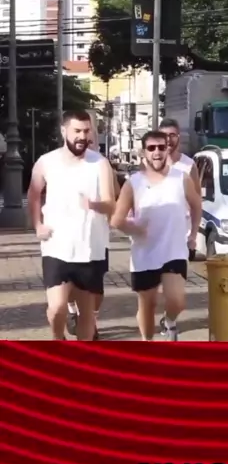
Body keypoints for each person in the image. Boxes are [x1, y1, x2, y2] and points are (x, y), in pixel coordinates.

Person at [27, 110, 116, 341]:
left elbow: (110, 204)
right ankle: (58, 339)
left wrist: (93, 205)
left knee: (87, 314)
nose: (82, 136)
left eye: (86, 131)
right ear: (63, 131)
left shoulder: (100, 163)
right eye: (77, 131)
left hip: (90, 248)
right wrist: (37, 225)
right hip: (56, 247)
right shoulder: (47, 161)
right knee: (57, 308)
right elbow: (34, 194)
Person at [110, 129, 202, 341]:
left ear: (167, 150)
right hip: (145, 254)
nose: (157, 152)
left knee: (177, 300)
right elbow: (116, 220)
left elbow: (197, 206)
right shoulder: (133, 183)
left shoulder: (181, 178)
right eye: (151, 148)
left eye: (161, 147)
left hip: (174, 251)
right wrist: (135, 229)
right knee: (147, 305)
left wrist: (193, 234)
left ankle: (169, 321)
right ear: (144, 152)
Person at [66, 140, 121, 340]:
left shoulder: (102, 165)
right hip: (69, 236)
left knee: (96, 287)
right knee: (71, 283)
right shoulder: (62, 164)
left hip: (96, 236)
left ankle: (91, 320)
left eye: (90, 140)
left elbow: (116, 195)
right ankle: (72, 309)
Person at [159, 117, 202, 260]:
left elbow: (197, 204)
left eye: (172, 135)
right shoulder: (150, 165)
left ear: (178, 137)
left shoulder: (188, 165)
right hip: (156, 236)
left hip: (181, 236)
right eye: (164, 136)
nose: (168, 140)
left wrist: (193, 235)